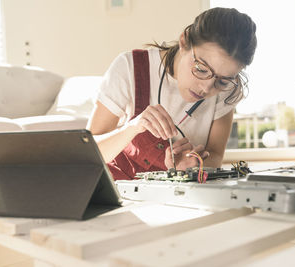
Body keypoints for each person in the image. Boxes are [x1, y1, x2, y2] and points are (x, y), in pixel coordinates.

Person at [87, 7, 257, 180]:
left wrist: (194, 164)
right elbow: (88, 154)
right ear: (184, 41)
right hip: (118, 192)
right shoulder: (129, 67)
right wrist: (133, 127)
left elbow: (215, 156)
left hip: (179, 196)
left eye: (222, 80)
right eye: (201, 69)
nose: (206, 88)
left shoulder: (227, 92)